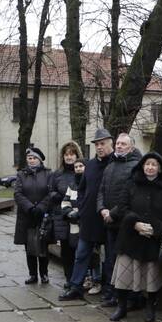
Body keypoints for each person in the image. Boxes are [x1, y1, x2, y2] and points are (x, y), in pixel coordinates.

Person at [108, 151, 162, 322]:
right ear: (142, 166)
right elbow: (122, 207)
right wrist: (134, 223)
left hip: (152, 240)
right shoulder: (131, 184)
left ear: (160, 168)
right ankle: (121, 307)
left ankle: (150, 307)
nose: (150, 167)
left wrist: (157, 230)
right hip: (130, 238)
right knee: (123, 276)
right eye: (147, 164)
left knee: (152, 277)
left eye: (154, 164)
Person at [60, 129, 114, 301]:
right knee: (82, 254)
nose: (99, 147)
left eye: (103, 143)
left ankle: (109, 289)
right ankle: (76, 287)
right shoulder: (90, 165)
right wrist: (82, 208)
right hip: (89, 218)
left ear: (110, 143)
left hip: (108, 218)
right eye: (97, 144)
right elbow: (82, 189)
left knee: (109, 257)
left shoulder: (115, 163)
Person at [98, 133, 143, 307]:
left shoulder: (135, 166)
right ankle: (113, 294)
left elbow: (130, 196)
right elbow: (101, 191)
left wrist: (113, 214)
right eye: (117, 143)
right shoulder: (110, 166)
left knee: (127, 262)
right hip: (109, 222)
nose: (119, 146)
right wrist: (102, 209)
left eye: (123, 144)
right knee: (111, 259)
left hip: (125, 223)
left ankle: (131, 298)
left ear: (131, 147)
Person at [13, 147, 58, 285]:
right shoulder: (21, 174)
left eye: (34, 158)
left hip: (43, 215)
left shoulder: (49, 174)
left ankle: (44, 274)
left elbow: (51, 192)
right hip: (27, 216)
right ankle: (33, 274)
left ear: (39, 159)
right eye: (29, 158)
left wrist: (41, 206)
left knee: (43, 245)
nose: (31, 160)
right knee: (29, 246)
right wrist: (30, 207)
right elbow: (18, 193)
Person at [51, 141, 83, 284]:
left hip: (79, 218)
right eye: (66, 154)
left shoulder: (83, 171)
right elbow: (51, 191)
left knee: (80, 250)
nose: (69, 157)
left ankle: (81, 279)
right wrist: (57, 196)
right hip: (62, 218)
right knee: (66, 250)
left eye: (72, 154)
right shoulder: (57, 174)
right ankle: (69, 279)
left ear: (77, 155)